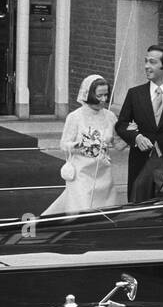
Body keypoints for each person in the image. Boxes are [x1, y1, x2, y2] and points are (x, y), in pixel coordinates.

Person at [115, 44, 163, 202]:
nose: (146, 66)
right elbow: (121, 124)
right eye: (145, 61)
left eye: (152, 62)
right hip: (141, 161)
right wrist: (136, 137)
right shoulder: (135, 93)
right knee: (138, 205)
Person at [43, 74, 117, 215]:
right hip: (81, 174)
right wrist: (77, 146)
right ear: (88, 95)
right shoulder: (75, 117)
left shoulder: (110, 116)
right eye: (99, 96)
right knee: (82, 209)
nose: (104, 99)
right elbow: (64, 144)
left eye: (106, 95)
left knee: (104, 211)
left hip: (103, 172)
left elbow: (117, 143)